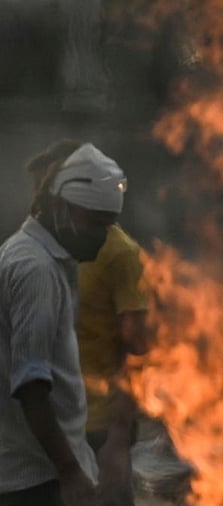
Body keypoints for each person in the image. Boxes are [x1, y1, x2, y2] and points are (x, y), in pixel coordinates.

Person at [0, 143, 128, 506]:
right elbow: (30, 384)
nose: (103, 236)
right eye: (95, 222)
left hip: (42, 474)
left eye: (109, 224)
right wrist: (70, 473)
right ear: (60, 207)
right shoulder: (34, 269)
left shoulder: (29, 255)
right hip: (38, 481)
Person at [27, 141, 149, 506]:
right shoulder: (38, 253)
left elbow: (138, 350)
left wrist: (118, 437)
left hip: (99, 428)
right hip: (49, 427)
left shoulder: (120, 254)